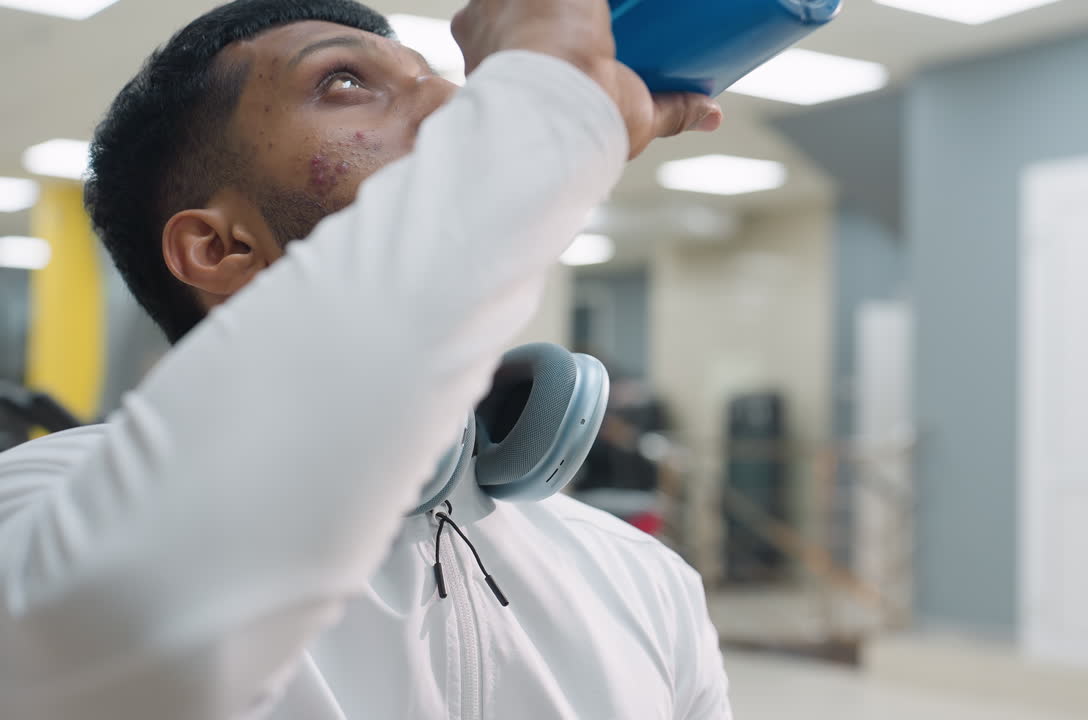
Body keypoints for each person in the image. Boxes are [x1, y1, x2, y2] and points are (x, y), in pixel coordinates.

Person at [0, 1, 731, 718]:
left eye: (435, 75)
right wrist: (539, 115)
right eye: (343, 82)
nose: (452, 98)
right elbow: (108, 632)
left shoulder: (643, 580)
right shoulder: (41, 506)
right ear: (220, 249)